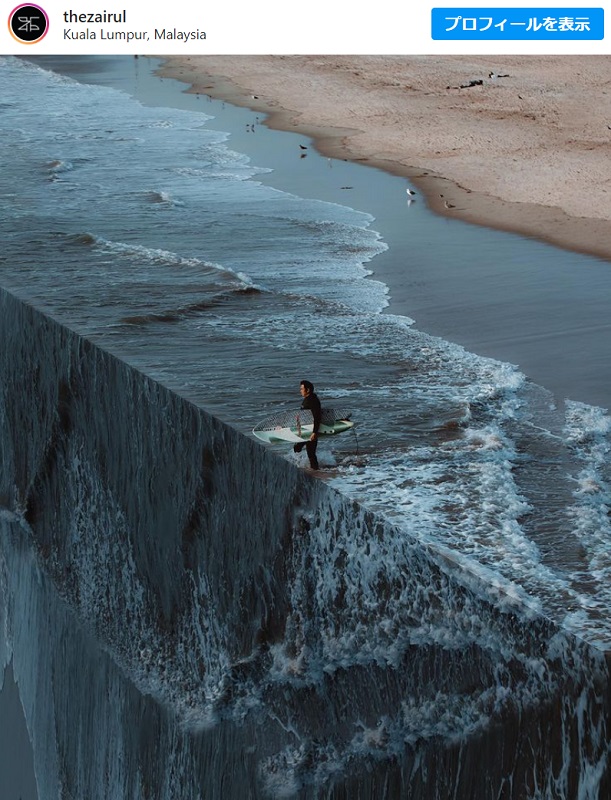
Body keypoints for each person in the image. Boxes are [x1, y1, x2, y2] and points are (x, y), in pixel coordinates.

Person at [293, 380, 321, 470]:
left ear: (307, 390)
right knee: (298, 448)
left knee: (310, 453)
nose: (300, 391)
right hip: (306, 430)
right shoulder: (308, 399)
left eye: (302, 389)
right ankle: (308, 468)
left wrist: (314, 432)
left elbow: (317, 416)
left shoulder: (313, 400)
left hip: (311, 431)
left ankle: (315, 471)